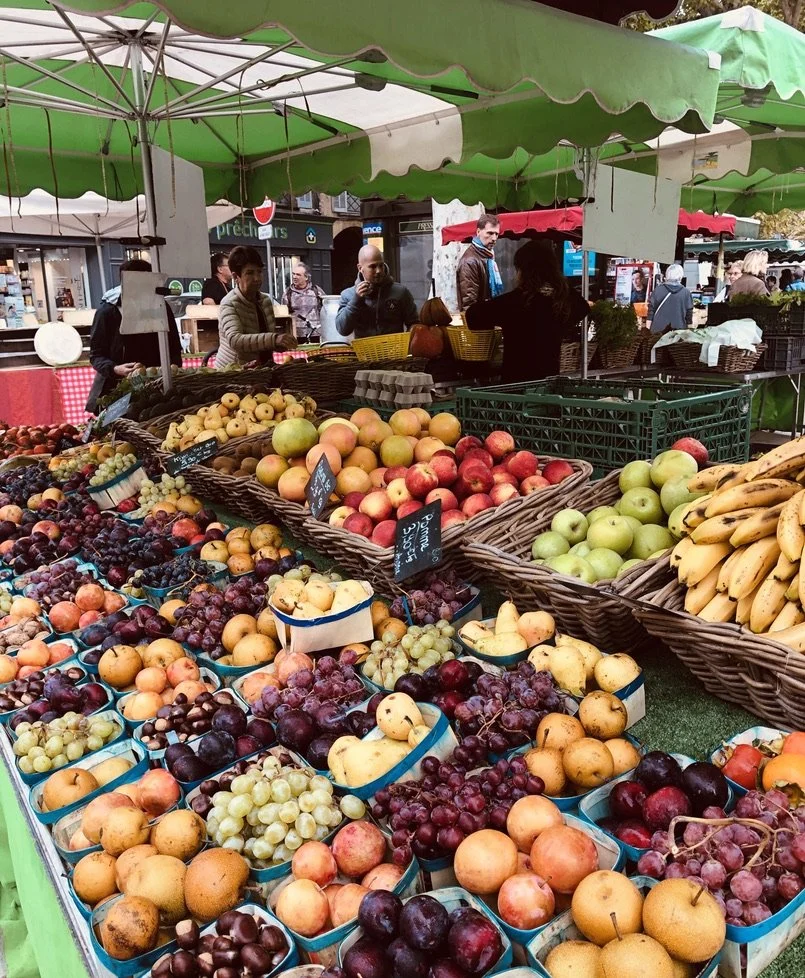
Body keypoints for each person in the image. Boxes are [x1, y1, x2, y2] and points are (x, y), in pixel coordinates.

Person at [464, 239, 590, 384]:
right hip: (549, 385)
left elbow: (472, 317)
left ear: (523, 271)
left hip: (516, 387)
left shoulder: (514, 302)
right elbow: (583, 307)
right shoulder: (562, 301)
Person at [86, 258, 182, 414]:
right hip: (117, 390)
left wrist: (172, 373)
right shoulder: (108, 312)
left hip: (156, 390)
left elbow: (174, 348)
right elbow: (96, 355)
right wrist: (115, 368)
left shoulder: (161, 307)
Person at [216, 246, 297, 369]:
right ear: (235, 276)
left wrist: (279, 345)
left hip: (263, 370)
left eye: (259, 272)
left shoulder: (266, 301)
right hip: (235, 373)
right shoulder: (229, 303)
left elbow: (264, 340)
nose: (257, 278)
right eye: (249, 273)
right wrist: (274, 339)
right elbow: (235, 340)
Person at [336, 245, 417, 338]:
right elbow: (343, 329)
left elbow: (414, 324)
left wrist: (408, 343)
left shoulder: (401, 292)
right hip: (364, 351)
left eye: (381, 265)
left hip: (395, 350)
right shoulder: (348, 295)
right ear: (360, 268)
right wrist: (356, 299)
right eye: (373, 266)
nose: (378, 271)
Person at [456, 214, 503, 311]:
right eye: (489, 233)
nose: (494, 238)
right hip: (479, 322)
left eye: (496, 234)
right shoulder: (470, 261)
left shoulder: (488, 256)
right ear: (478, 232)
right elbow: (469, 304)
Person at [281, 263, 326, 343]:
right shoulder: (288, 293)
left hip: (316, 334)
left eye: (298, 275)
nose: (294, 277)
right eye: (293, 274)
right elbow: (283, 315)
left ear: (306, 277)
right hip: (296, 335)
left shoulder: (316, 291)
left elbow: (326, 308)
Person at [646, 264, 694, 334]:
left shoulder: (658, 290)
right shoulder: (686, 292)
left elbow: (650, 312)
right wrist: (690, 333)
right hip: (679, 332)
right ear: (681, 276)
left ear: (667, 275)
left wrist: (647, 331)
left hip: (657, 331)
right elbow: (689, 316)